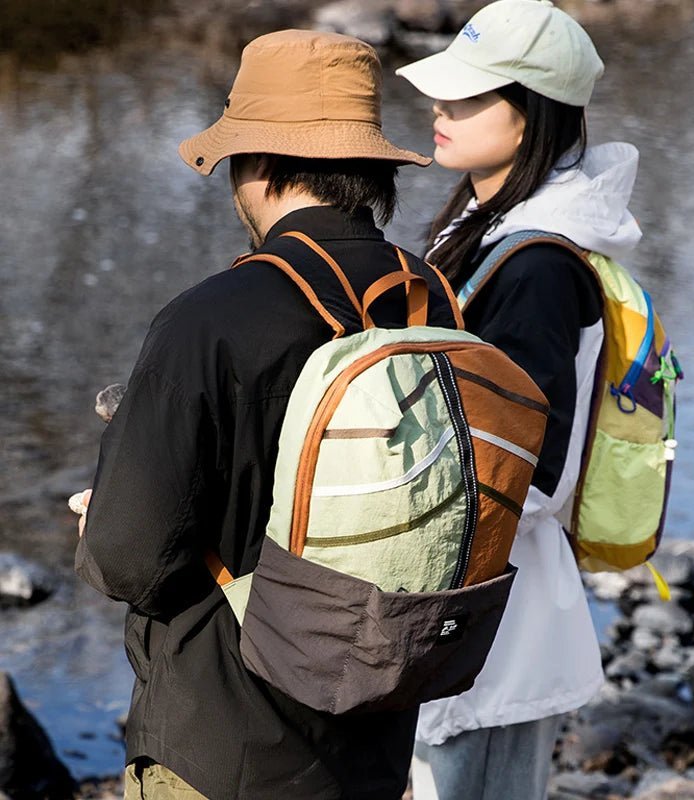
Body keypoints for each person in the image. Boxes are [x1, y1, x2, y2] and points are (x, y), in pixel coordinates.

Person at [74, 29, 461, 800]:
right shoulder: (427, 299)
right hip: (373, 740)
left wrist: (98, 520)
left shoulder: (211, 318)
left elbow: (128, 559)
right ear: (371, 167)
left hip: (223, 747)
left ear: (257, 166)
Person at [396, 1, 644, 797]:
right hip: (483, 597)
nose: (440, 108)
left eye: (468, 97)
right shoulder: (491, 226)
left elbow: (528, 472)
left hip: (485, 611)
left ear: (532, 113)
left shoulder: (536, 265)